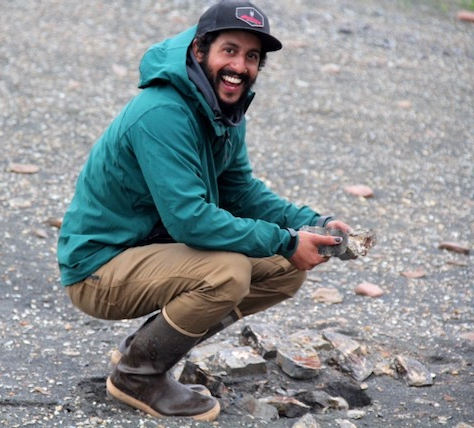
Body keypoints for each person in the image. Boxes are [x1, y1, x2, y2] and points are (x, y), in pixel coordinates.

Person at [57, 0, 352, 421]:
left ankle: (142, 349)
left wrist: (311, 223)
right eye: (229, 50)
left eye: (251, 57)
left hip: (150, 253)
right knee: (227, 272)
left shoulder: (224, 110)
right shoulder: (163, 113)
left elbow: (243, 192)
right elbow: (189, 219)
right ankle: (138, 376)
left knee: (285, 270)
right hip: (98, 267)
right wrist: (286, 241)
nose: (240, 65)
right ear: (200, 51)